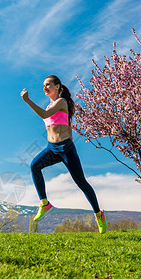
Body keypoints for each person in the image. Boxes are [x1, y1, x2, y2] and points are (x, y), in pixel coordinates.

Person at [20, 75, 107, 233]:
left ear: (58, 86)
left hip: (66, 148)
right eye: (44, 86)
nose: (45, 88)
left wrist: (27, 100)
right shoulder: (48, 106)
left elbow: (46, 116)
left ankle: (98, 214)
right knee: (34, 166)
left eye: (48, 85)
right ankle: (45, 204)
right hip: (52, 148)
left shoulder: (62, 102)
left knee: (81, 183)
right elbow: (66, 124)